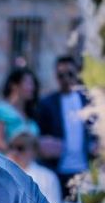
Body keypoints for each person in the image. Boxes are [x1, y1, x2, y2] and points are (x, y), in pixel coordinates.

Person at [37, 55, 95, 194]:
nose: (65, 79)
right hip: (57, 170)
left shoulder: (88, 100)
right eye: (61, 75)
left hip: (84, 170)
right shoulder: (47, 103)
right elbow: (40, 134)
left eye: (70, 74)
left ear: (77, 74)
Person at [0, 66, 40, 153]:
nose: (32, 88)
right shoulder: (2, 110)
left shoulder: (30, 116)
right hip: (7, 162)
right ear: (14, 85)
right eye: (28, 83)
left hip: (28, 164)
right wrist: (17, 151)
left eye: (33, 84)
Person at [6, 129, 63, 203]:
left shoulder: (47, 177)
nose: (14, 152)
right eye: (11, 147)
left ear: (33, 151)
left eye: (20, 148)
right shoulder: (3, 173)